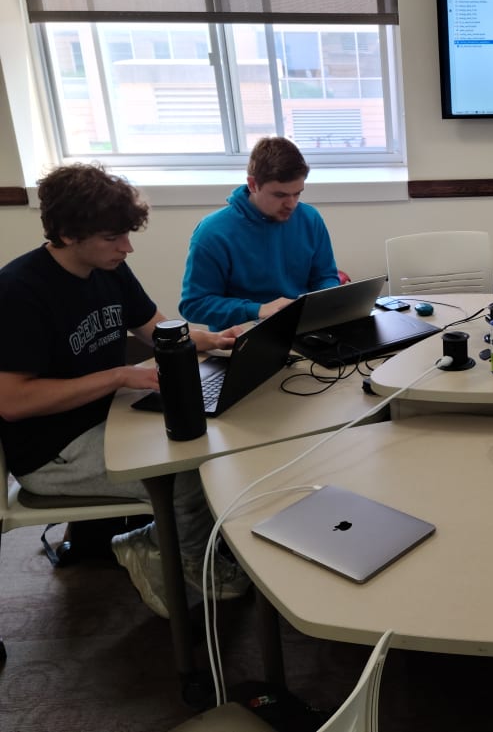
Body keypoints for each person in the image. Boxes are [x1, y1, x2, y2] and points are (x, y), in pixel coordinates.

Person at [0, 164, 251, 619]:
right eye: (113, 237)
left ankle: (163, 540)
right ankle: (175, 557)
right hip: (51, 450)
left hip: (110, 415)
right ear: (68, 233)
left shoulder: (110, 269)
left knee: (217, 440)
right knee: (185, 476)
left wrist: (211, 339)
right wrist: (117, 377)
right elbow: (13, 402)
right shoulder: (19, 291)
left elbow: (155, 329)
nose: (127, 246)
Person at [179, 136, 339, 330]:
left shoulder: (309, 218)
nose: (292, 204)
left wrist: (326, 303)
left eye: (297, 193)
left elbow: (325, 277)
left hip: (301, 330)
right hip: (243, 336)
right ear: (253, 185)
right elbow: (194, 305)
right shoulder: (212, 233)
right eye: (280, 195)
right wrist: (257, 309)